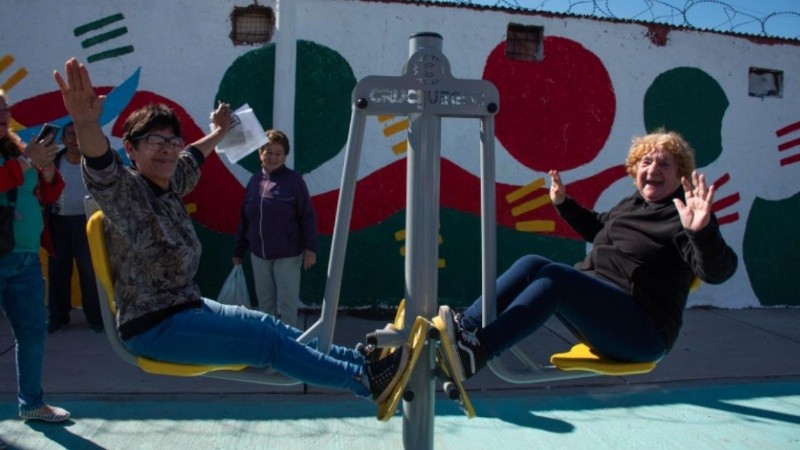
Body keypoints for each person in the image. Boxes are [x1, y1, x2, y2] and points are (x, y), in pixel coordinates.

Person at [54, 57, 408, 404]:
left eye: (171, 142)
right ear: (130, 148)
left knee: (273, 327)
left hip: (186, 307)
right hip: (154, 327)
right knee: (266, 345)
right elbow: (102, 170)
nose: (166, 150)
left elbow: (192, 157)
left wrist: (220, 132)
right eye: (154, 141)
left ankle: (362, 360)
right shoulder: (127, 195)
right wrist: (86, 123)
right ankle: (364, 381)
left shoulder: (167, 182)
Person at [438, 130, 738, 381]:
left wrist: (702, 231)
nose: (653, 169)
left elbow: (716, 271)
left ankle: (478, 352)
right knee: (533, 263)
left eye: (665, 164)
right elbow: (599, 229)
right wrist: (564, 203)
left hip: (643, 332)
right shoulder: (632, 204)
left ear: (681, 175)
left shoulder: (684, 217)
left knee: (556, 278)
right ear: (636, 170)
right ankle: (466, 327)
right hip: (606, 313)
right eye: (647, 161)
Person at [0, 89, 70, 422]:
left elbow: (50, 192)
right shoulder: (21, 156)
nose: (3, 114)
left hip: (26, 257)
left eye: (5, 109)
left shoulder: (18, 150)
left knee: (32, 332)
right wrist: (28, 162)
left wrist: (46, 172)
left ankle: (32, 404)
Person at [232, 129, 318, 327]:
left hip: (287, 255)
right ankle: (269, 342)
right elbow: (245, 219)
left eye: (278, 153)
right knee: (265, 304)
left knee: (287, 305)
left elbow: (308, 216)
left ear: (285, 156)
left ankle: (289, 345)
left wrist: (310, 248)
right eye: (268, 152)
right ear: (260, 154)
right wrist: (238, 250)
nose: (273, 157)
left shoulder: (294, 181)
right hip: (259, 255)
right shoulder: (254, 181)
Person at [46, 122, 104, 333]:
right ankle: (58, 317)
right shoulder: (54, 162)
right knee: (58, 272)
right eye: (71, 135)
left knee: (89, 273)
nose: (75, 140)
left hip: (86, 223)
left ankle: (97, 319)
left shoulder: (94, 163)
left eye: (79, 135)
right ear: (63, 140)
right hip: (58, 223)